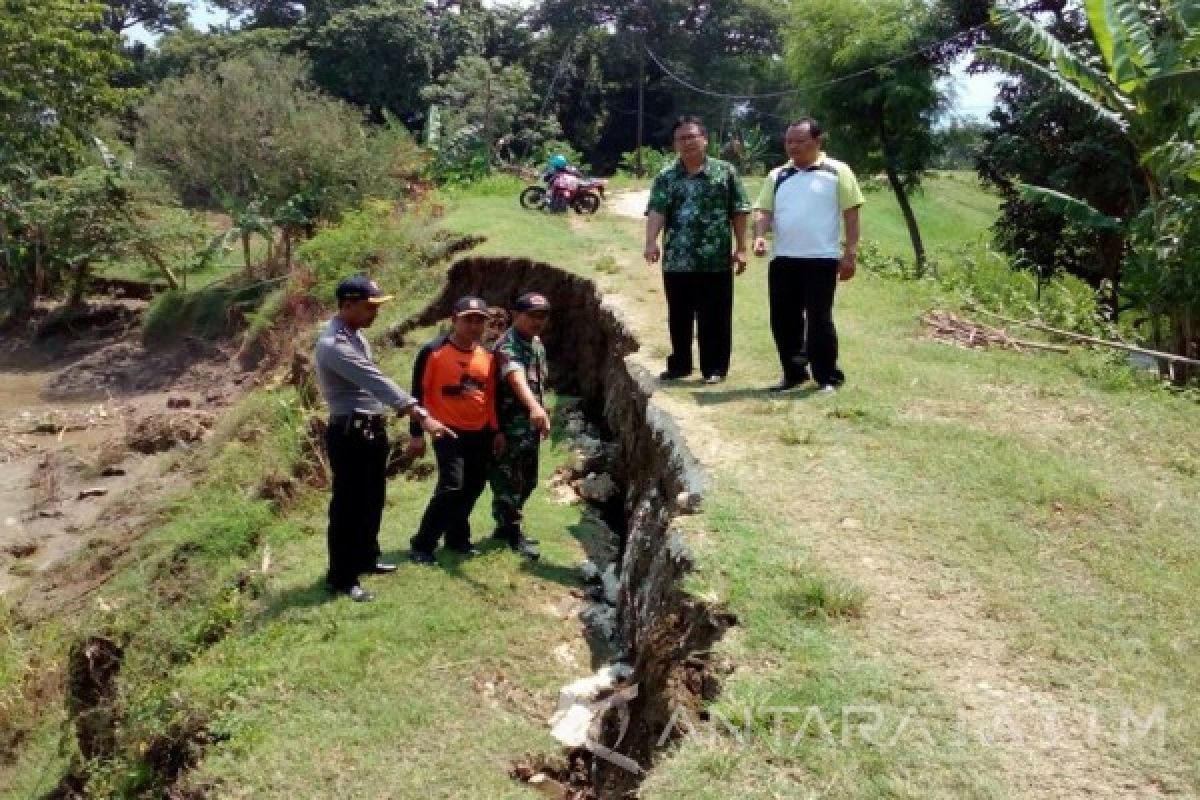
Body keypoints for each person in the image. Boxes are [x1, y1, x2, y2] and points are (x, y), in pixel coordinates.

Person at [314, 275, 453, 602]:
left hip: (370, 429)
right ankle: (342, 577)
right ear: (347, 305)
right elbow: (376, 381)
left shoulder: (357, 337)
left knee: (372, 498)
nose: (375, 313)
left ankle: (366, 558)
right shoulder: (334, 345)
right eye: (369, 306)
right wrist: (421, 415)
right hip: (350, 433)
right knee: (348, 506)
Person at [753, 118, 864, 393]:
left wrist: (850, 253)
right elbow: (764, 210)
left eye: (801, 141)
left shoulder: (838, 171)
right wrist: (759, 235)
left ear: (817, 142)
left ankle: (827, 377)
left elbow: (851, 214)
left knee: (819, 320)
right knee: (783, 320)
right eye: (789, 141)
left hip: (822, 259)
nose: (794, 147)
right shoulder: (778, 175)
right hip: (783, 259)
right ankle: (793, 374)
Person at [644, 115, 751, 385]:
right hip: (677, 260)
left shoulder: (724, 172)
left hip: (715, 260)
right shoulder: (666, 177)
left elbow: (738, 210)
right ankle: (680, 364)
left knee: (714, 316)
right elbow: (657, 210)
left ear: (705, 139)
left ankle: (714, 368)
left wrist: (741, 248)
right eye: (682, 138)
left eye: (693, 136)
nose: (688, 142)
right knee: (679, 315)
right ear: (674, 144)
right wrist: (650, 242)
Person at [407, 296, 500, 564]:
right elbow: (417, 395)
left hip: (480, 431)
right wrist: (416, 433)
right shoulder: (433, 352)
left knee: (474, 485)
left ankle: (457, 537)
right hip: (445, 430)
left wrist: (496, 432)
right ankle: (422, 544)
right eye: (468, 319)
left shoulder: (488, 356)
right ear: (454, 320)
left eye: (479, 320)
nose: (473, 325)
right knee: (451, 486)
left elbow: (490, 397)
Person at [489, 292, 552, 561]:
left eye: (542, 315)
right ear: (516, 314)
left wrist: (540, 410)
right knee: (508, 482)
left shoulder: (536, 344)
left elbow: (537, 384)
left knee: (528, 481)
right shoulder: (508, 345)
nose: (537, 321)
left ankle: (506, 525)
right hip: (508, 427)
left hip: (528, 428)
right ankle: (512, 533)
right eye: (531, 315)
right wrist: (534, 408)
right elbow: (516, 379)